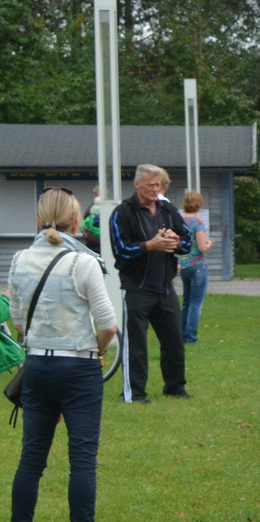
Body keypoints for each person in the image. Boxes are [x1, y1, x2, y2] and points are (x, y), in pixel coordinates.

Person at [8, 189, 121, 522]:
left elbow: (18, 321)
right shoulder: (81, 262)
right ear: (77, 222)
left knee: (31, 459)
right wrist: (98, 350)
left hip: (38, 366)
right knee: (82, 461)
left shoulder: (20, 259)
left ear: (37, 221)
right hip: (79, 367)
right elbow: (108, 325)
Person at [111, 163, 191, 403]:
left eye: (158, 185)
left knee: (175, 341)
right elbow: (120, 249)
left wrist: (174, 242)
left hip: (165, 288)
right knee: (136, 345)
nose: (155, 189)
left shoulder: (168, 210)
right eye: (150, 185)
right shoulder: (122, 212)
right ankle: (135, 393)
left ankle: (175, 387)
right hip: (137, 287)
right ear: (137, 184)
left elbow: (187, 243)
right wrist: (149, 245)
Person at [178, 190, 213, 345]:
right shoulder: (198, 224)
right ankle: (191, 337)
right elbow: (202, 247)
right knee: (196, 303)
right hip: (198, 266)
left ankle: (180, 333)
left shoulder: (180, 222)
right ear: (199, 205)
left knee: (186, 302)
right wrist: (209, 243)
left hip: (184, 266)